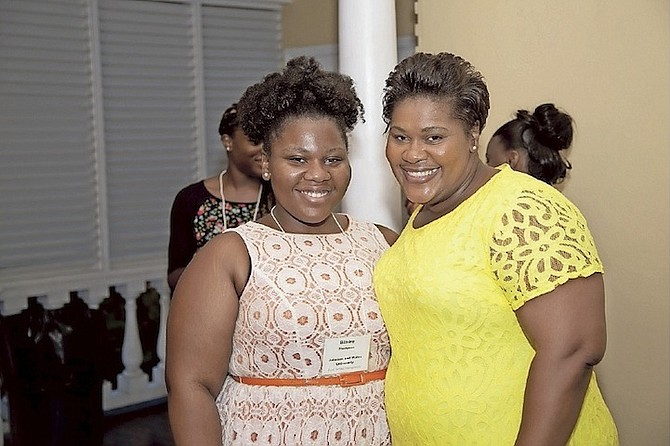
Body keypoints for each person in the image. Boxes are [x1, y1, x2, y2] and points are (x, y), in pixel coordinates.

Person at [373, 52, 618, 445]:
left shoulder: (522, 207)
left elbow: (573, 349)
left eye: (434, 137)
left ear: (473, 134)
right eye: (400, 136)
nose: (413, 153)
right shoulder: (423, 213)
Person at [166, 56, 397, 446]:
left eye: (333, 159)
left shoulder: (383, 243)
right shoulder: (231, 254)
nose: (318, 174)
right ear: (267, 164)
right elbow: (191, 385)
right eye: (297, 159)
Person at [167, 103, 273, 291]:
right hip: (209, 311)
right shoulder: (191, 200)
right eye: (255, 140)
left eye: (269, 140)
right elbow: (174, 275)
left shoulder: (280, 197)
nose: (264, 149)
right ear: (228, 141)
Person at [486, 103, 574, 185]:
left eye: (488, 160)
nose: (486, 167)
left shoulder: (496, 200)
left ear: (511, 160)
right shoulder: (556, 200)